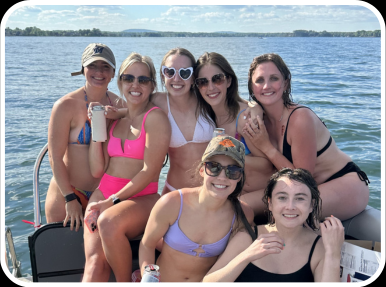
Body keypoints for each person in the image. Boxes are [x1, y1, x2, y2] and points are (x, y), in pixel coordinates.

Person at [241, 53, 370, 220]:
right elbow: (235, 102)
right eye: (259, 80)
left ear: (285, 83)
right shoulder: (260, 119)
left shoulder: (300, 118)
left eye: (274, 78)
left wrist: (266, 146)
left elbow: (302, 182)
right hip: (307, 189)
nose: (266, 86)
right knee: (240, 204)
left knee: (291, 208)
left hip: (344, 183)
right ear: (251, 87)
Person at [82, 52, 171, 282]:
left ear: (152, 85)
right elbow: (97, 169)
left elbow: (150, 171)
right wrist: (96, 128)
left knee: (108, 221)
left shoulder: (155, 118)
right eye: (129, 78)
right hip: (103, 194)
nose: (135, 84)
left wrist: (112, 201)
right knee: (93, 264)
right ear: (120, 82)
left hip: (141, 199)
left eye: (143, 80)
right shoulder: (116, 120)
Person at [139, 136, 256, 282]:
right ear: (202, 170)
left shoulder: (243, 214)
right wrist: (149, 279)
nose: (222, 177)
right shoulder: (172, 203)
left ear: (239, 177)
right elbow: (147, 244)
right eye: (214, 167)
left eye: (232, 171)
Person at [204, 168, 345, 282]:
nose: (290, 206)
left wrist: (333, 253)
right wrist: (246, 256)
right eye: (282, 198)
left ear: (311, 206)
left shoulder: (319, 248)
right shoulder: (247, 238)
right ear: (270, 203)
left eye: (300, 198)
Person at [45, 43, 121, 231]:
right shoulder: (65, 106)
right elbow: (54, 157)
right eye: (92, 66)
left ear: (113, 73)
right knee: (63, 256)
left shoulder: (120, 104)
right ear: (83, 69)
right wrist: (69, 198)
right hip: (69, 192)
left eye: (105, 67)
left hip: (103, 197)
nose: (99, 72)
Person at [194, 52, 275, 194]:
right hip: (230, 194)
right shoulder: (206, 117)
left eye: (217, 79)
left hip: (259, 196)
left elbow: (267, 166)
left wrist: (228, 152)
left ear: (229, 81)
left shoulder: (245, 118)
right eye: (203, 82)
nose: (211, 87)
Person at [152, 48, 215, 195]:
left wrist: (253, 107)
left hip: (210, 193)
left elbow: (234, 105)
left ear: (193, 77)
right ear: (163, 74)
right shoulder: (157, 102)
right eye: (170, 72)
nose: (176, 79)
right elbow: (132, 109)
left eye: (184, 73)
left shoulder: (206, 98)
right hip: (174, 193)